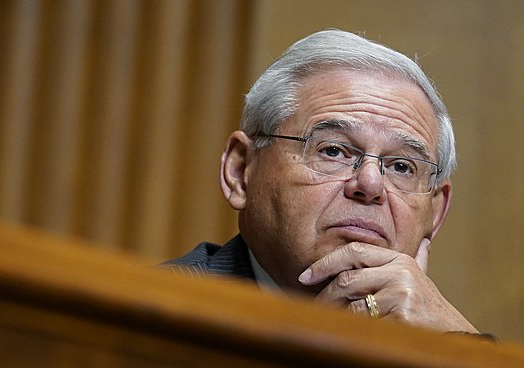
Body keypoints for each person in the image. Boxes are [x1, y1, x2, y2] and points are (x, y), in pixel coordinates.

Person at [165, 29, 480, 335]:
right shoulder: (156, 314)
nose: (370, 185)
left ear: (435, 214)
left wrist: (464, 353)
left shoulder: (445, 341)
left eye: (401, 166)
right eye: (333, 150)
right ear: (241, 171)